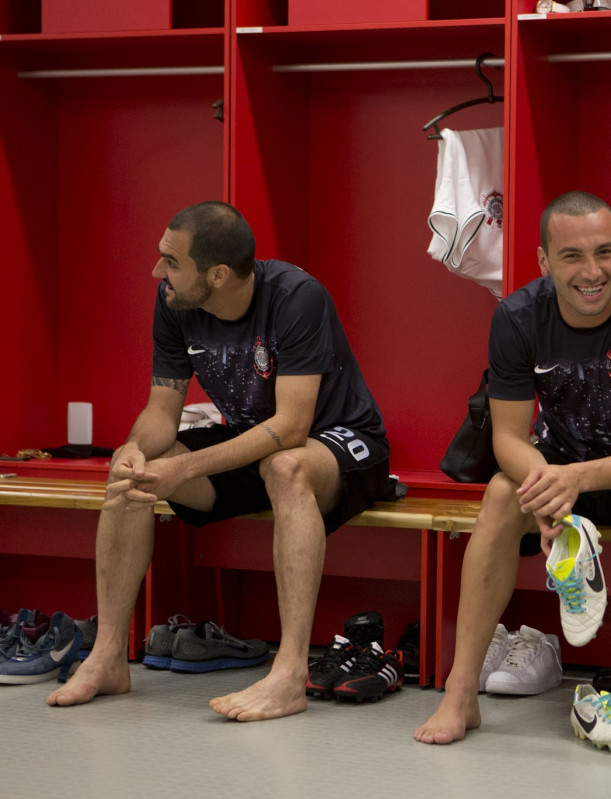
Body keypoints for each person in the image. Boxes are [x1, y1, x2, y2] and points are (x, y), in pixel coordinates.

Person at [47, 201, 391, 721]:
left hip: (340, 443)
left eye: (171, 261)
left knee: (286, 466)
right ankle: (109, 657)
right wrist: (136, 448)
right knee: (132, 477)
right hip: (254, 440)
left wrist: (185, 468)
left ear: (219, 274)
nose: (157, 272)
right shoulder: (174, 302)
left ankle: (290, 673)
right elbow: (163, 410)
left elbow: (292, 426)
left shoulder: (297, 297)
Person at [414, 190, 611, 752]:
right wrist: (543, 484)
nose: (592, 272)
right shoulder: (516, 316)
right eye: (573, 256)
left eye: (604, 253)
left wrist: (576, 480)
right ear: (542, 261)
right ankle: (461, 692)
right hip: (555, 464)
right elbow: (509, 437)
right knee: (497, 496)